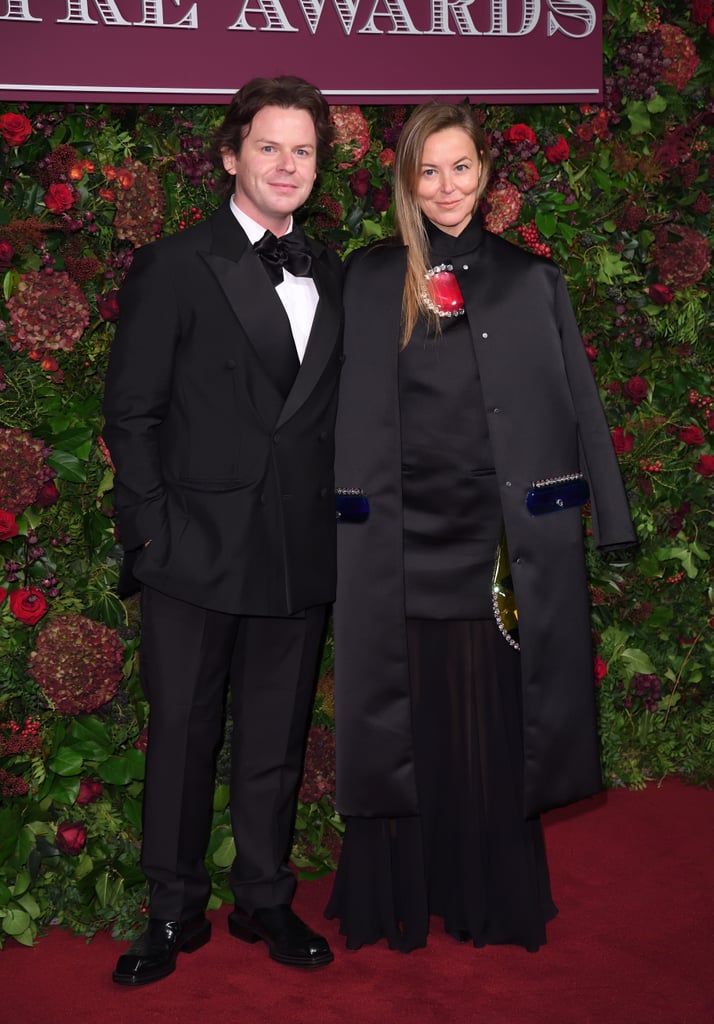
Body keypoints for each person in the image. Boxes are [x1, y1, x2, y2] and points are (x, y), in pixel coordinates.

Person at [326, 103, 636, 954]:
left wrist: (609, 516)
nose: (446, 187)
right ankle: (398, 892)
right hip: (394, 534)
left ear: (487, 174)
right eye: (428, 171)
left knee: (494, 718)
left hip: (497, 541)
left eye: (461, 167)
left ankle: (485, 894)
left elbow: (578, 399)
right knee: (401, 716)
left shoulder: (530, 279)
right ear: (405, 182)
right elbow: (322, 404)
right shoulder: (367, 276)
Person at [104, 75, 343, 986]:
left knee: (276, 737)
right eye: (271, 146)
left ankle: (264, 896)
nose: (287, 164)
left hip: (295, 549)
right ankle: (171, 909)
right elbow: (131, 413)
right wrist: (151, 535)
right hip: (193, 547)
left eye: (304, 150)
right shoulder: (176, 263)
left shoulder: (332, 270)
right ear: (231, 156)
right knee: (183, 734)